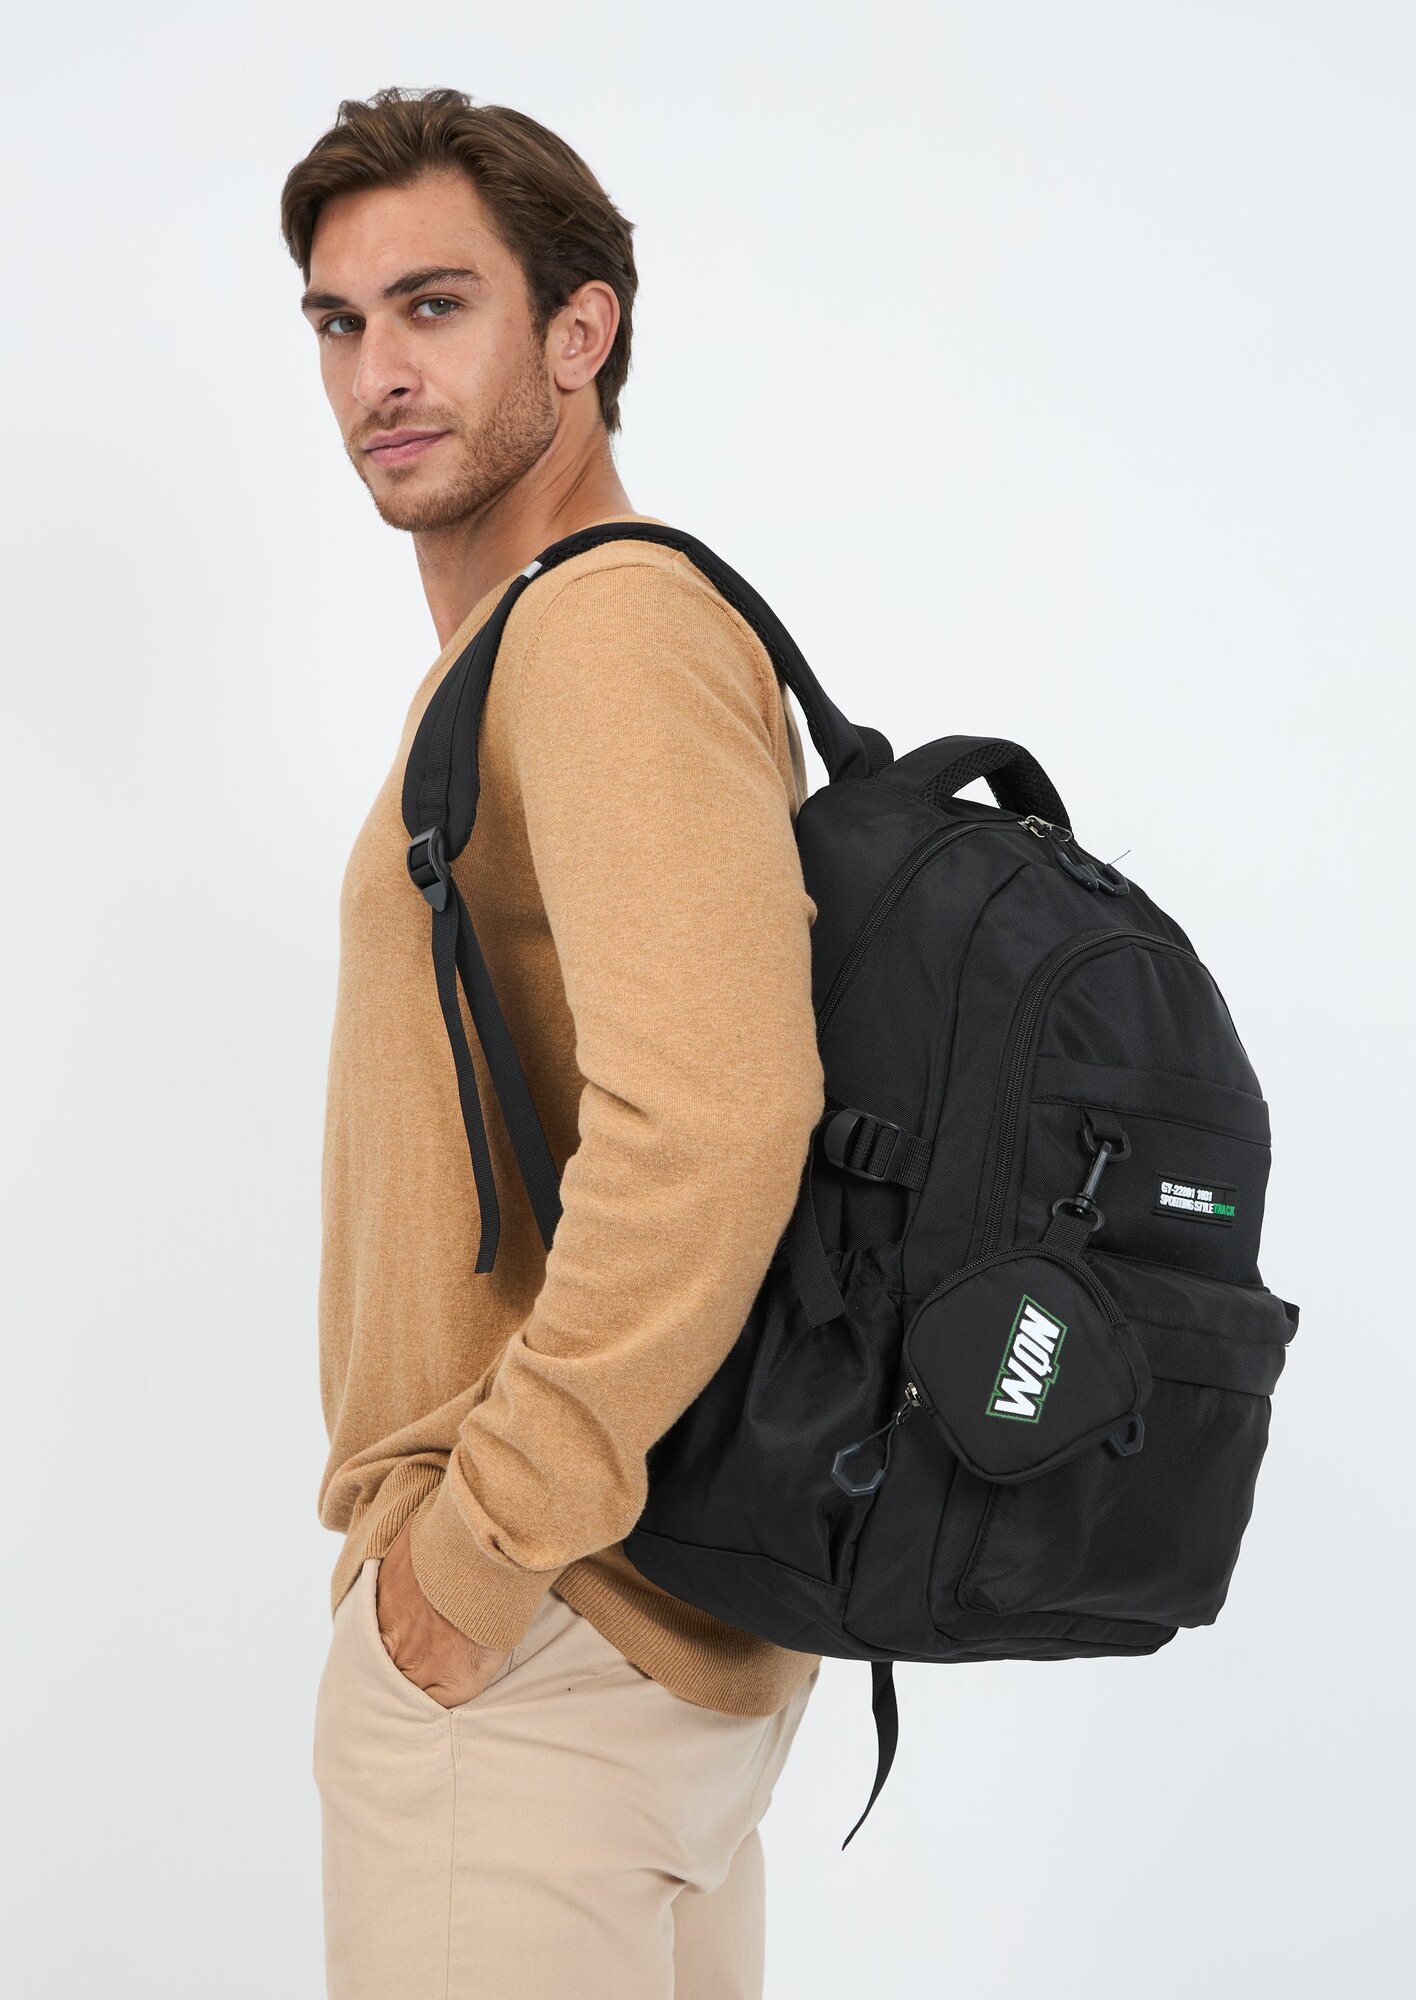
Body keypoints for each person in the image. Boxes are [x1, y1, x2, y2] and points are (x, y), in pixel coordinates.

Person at [281, 86, 826, 1999]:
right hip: (625, 1639)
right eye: (339, 323)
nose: (377, 373)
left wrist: (473, 1556)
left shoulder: (602, 633)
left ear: (580, 332)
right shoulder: (527, 645)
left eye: (435, 306)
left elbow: (719, 1118)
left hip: (537, 1660)